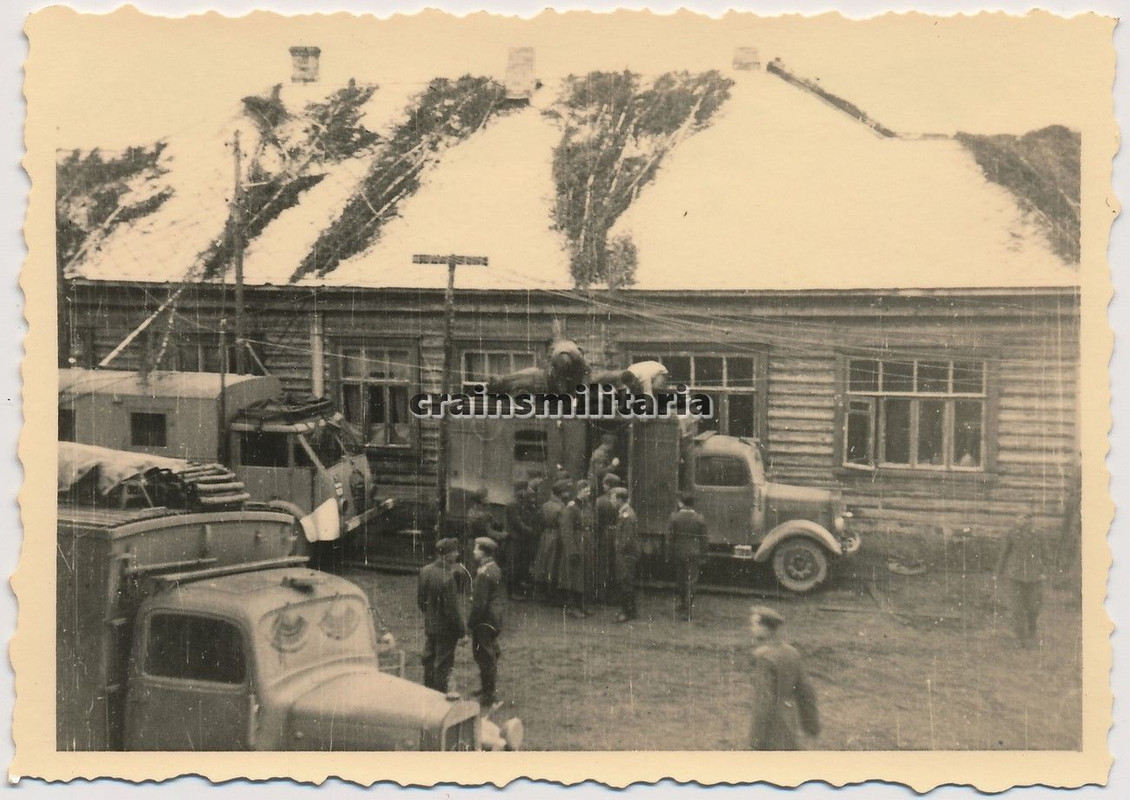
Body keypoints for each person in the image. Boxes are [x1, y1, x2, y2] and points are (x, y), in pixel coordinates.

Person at [748, 606, 820, 750]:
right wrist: (811, 726)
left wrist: (757, 739)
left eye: (754, 624)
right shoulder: (792, 653)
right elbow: (806, 693)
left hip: (770, 731)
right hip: (789, 724)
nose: (751, 629)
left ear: (765, 628)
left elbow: (764, 702)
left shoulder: (764, 658)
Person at [416, 538, 466, 693]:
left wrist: (430, 614)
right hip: (446, 629)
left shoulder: (425, 571)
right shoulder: (447, 577)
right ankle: (439, 695)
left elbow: (420, 601)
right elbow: (452, 611)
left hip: (431, 625)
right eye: (454, 551)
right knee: (443, 664)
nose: (457, 554)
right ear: (446, 555)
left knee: (429, 659)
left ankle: (428, 691)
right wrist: (461, 632)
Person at [994, 512, 1050, 648]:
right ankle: (1020, 638)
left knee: (1033, 607)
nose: (1021, 521)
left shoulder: (1039, 534)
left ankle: (1032, 630)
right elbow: (1004, 554)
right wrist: (998, 572)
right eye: (1018, 517)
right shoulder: (1011, 534)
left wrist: (1044, 572)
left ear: (1031, 520)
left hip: (1034, 576)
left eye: (1025, 518)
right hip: (1014, 574)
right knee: (1016, 608)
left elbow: (1045, 554)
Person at [469, 536, 505, 708]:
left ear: (483, 553)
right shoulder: (493, 568)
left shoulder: (484, 573)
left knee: (484, 656)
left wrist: (470, 624)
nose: (473, 552)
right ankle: (486, 689)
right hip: (494, 617)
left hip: (485, 619)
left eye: (476, 549)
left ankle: (488, 695)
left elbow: (479, 605)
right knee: (488, 654)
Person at [667, 493, 708, 621]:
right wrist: (704, 555)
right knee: (691, 581)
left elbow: (669, 539)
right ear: (692, 504)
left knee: (680, 580)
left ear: (681, 503)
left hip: (679, 553)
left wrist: (669, 554)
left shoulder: (674, 518)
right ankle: (687, 610)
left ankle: (682, 604)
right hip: (694, 554)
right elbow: (704, 540)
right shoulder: (699, 518)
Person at [531, 479, 571, 604]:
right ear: (561, 493)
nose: (567, 494)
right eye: (566, 492)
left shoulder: (545, 505)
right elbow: (564, 525)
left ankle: (541, 593)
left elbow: (539, 520)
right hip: (557, 536)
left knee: (543, 562)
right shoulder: (562, 507)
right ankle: (552, 594)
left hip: (545, 535)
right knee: (554, 564)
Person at [557, 480, 591, 618]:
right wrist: (572, 550)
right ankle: (572, 607)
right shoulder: (571, 508)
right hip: (575, 546)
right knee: (572, 578)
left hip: (584, 545)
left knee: (581, 577)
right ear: (579, 491)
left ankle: (580, 606)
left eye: (589, 491)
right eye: (586, 491)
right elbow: (566, 530)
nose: (588, 494)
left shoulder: (585, 506)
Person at [506, 478, 540, 599]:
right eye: (525, 490)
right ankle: (512, 592)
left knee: (521, 565)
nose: (527, 492)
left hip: (523, 539)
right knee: (513, 565)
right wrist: (532, 532)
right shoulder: (513, 505)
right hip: (515, 539)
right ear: (519, 491)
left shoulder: (523, 503)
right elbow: (518, 523)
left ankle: (518, 588)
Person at [610, 487, 641, 623]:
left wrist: (618, 549)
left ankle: (626, 613)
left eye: (613, 497)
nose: (611, 500)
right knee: (626, 581)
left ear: (619, 499)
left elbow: (627, 539)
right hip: (626, 554)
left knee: (625, 582)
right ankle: (630, 611)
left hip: (625, 555)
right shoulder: (625, 512)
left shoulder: (626, 515)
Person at [593, 473, 622, 602]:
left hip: (604, 534)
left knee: (603, 564)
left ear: (609, 485)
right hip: (617, 534)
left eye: (604, 483)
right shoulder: (620, 500)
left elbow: (596, 521)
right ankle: (615, 595)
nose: (603, 486)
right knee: (615, 565)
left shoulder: (600, 501)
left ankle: (602, 595)